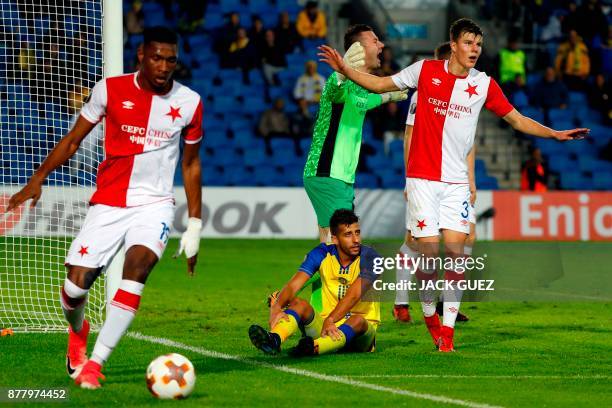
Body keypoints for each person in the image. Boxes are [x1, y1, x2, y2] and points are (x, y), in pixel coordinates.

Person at [319, 18, 588, 352]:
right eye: (469, 43)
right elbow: (381, 85)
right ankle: (430, 314)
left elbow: (517, 119)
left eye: (479, 44)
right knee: (429, 260)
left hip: (456, 183)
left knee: (458, 256)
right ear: (454, 44)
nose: (475, 49)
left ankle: (447, 332)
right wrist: (344, 67)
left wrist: (555, 134)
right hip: (422, 181)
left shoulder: (484, 84)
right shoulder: (424, 71)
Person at [5, 27, 203, 388]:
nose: (163, 66)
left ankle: (95, 364)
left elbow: (191, 164)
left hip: (155, 205)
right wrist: (38, 178)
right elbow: (73, 139)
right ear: (141, 55)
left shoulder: (189, 101)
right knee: (76, 288)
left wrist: (195, 225)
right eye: (156, 58)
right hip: (109, 203)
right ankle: (78, 332)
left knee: (137, 270)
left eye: (170, 60)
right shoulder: (110, 90)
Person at [393, 42, 471, 324]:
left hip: (452, 180)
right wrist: (409, 177)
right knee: (414, 241)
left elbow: (464, 143)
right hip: (424, 178)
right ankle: (402, 301)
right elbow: (409, 136)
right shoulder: (423, 93)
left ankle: (443, 303)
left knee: (461, 242)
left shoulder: (465, 94)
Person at [249, 209, 380, 357]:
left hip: (361, 334)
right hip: (326, 327)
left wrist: (331, 319)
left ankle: (313, 348)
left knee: (357, 320)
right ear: (335, 239)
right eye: (348, 235)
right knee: (298, 303)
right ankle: (274, 340)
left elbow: (354, 295)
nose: (356, 240)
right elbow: (294, 285)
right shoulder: (322, 253)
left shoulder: (372, 258)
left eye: (357, 232)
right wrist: (276, 308)